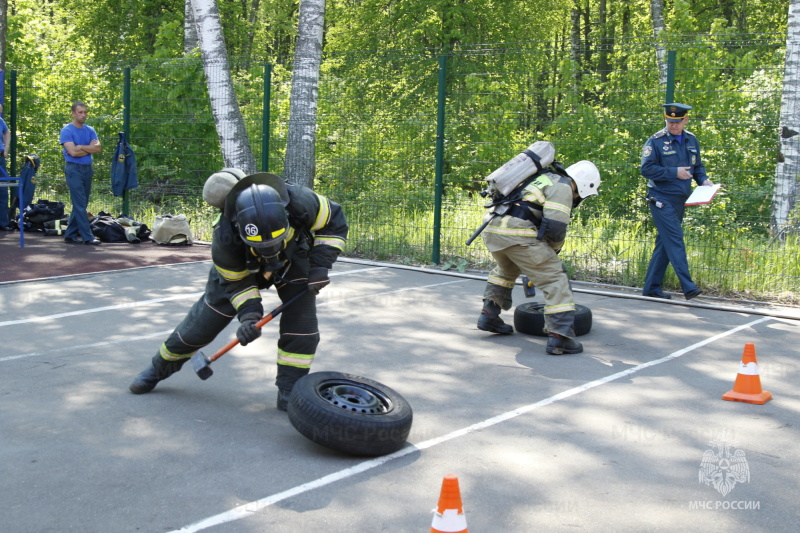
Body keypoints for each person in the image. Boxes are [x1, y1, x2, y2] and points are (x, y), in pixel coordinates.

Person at [129, 172, 348, 411]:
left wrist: (320, 267)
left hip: (293, 259)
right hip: (242, 272)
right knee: (199, 328)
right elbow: (237, 284)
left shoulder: (299, 201)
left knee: (303, 328)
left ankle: (289, 391)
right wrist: (250, 317)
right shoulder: (224, 237)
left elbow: (334, 220)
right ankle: (156, 370)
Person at [477, 159, 601, 355]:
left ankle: (489, 315)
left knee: (505, 271)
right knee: (555, 279)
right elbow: (556, 226)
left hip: (493, 229)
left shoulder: (543, 178)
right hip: (519, 234)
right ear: (585, 185)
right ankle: (560, 337)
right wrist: (553, 252)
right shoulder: (564, 186)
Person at [641, 103, 715, 300]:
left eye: (677, 121)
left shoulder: (691, 140)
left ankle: (651, 287)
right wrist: (674, 172)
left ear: (685, 120)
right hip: (660, 198)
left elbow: (697, 166)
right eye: (669, 121)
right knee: (675, 239)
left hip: (680, 199)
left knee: (665, 243)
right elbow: (646, 169)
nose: (672, 125)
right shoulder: (655, 141)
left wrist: (704, 180)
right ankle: (688, 286)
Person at [60, 101, 102, 245]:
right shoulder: (67, 130)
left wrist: (81, 147)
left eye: (85, 112)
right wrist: (87, 148)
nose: (83, 115)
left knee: (81, 203)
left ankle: (70, 234)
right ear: (73, 113)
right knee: (80, 205)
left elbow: (97, 148)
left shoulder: (90, 130)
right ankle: (88, 237)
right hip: (74, 169)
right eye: (80, 112)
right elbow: (72, 152)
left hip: (87, 169)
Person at [0, 104, 12, 231]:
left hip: (0, 158)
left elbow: (6, 132)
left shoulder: (1, 121)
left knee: (3, 190)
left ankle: (3, 222)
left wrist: (6, 147)